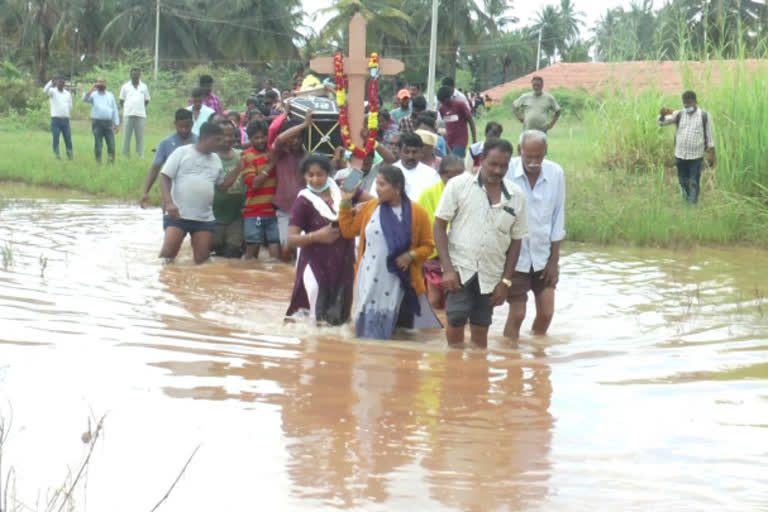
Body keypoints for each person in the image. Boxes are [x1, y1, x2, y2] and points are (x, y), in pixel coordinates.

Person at [433, 138, 529, 348]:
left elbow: (516, 241)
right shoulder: (459, 185)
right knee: (456, 319)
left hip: (491, 274)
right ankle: (455, 368)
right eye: (492, 164)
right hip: (460, 269)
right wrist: (447, 270)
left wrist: (505, 282)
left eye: (503, 166)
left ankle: (477, 375)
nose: (497, 170)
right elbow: (439, 226)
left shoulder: (516, 196)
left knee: (481, 328)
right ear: (482, 160)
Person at [339, 165, 441, 339]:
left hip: (403, 280)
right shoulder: (370, 208)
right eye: (377, 184)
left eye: (382, 184)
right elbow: (348, 231)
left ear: (397, 188)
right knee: (367, 334)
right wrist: (346, 202)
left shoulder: (418, 213)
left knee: (403, 334)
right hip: (370, 279)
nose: (377, 189)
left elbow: (429, 245)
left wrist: (411, 256)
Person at [286, 154, 363, 325]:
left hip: (343, 262)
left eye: (320, 174)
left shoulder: (343, 188)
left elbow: (375, 199)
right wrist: (317, 236)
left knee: (340, 318)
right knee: (315, 316)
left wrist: (358, 208)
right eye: (310, 175)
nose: (315, 179)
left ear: (328, 174)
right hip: (316, 263)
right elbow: (291, 239)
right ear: (304, 176)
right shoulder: (303, 201)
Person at [503, 130, 566, 340]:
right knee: (518, 314)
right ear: (519, 151)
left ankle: (538, 355)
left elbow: (558, 217)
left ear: (545, 152)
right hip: (514, 258)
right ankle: (511, 359)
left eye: (538, 156)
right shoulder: (506, 170)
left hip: (543, 255)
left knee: (547, 313)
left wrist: (553, 260)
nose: (533, 162)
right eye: (528, 156)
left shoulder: (555, 173)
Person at [158, 122, 244, 264]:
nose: (221, 143)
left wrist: (237, 169)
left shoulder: (216, 160)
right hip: (178, 214)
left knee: (202, 261)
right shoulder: (182, 152)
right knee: (167, 255)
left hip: (204, 218)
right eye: (218, 139)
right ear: (205, 137)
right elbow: (164, 176)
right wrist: (169, 203)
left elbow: (222, 187)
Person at [417, 155, 465, 310]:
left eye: (458, 176)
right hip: (434, 254)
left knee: (460, 301)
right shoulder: (428, 194)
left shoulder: (472, 193)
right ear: (440, 174)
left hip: (462, 255)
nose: (453, 182)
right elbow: (419, 223)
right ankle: (433, 332)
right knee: (434, 300)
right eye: (448, 177)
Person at [658, 90, 716, 204]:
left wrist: (712, 154)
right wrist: (663, 114)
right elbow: (662, 123)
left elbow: (710, 136)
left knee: (693, 180)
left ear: (695, 102)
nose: (687, 106)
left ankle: (692, 205)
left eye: (689, 103)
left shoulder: (704, 116)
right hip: (680, 154)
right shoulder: (679, 114)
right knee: (682, 180)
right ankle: (687, 199)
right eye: (685, 104)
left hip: (696, 156)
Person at [271, 112, 311, 261]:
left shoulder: (309, 157)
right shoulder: (279, 154)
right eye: (292, 137)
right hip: (285, 209)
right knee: (286, 248)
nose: (295, 141)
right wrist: (304, 124)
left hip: (306, 210)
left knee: (304, 251)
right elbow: (280, 139)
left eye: (298, 137)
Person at [140, 109, 197, 209]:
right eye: (180, 126)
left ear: (192, 124)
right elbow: (155, 168)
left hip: (195, 197)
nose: (184, 130)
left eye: (187, 126)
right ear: (175, 124)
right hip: (171, 198)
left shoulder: (199, 142)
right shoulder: (165, 143)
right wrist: (145, 192)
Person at [241, 120, 279, 260]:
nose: (260, 140)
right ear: (249, 139)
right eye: (256, 138)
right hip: (254, 212)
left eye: (263, 137)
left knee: (275, 250)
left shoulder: (273, 152)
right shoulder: (247, 156)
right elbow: (254, 183)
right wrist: (271, 165)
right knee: (252, 250)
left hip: (274, 211)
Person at [210, 120, 245, 258]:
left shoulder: (241, 155)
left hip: (236, 217)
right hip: (213, 217)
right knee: (211, 253)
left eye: (231, 135)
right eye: (224, 135)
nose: (228, 139)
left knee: (233, 253)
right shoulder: (210, 157)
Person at [370, 133, 439, 201]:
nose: (410, 156)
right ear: (399, 151)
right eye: (406, 152)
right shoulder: (386, 173)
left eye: (414, 152)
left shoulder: (431, 174)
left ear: (421, 152)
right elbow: (374, 199)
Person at [82, 76, 120, 164]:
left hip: (108, 123)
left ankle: (111, 163)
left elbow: (114, 109)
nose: (100, 84)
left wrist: (117, 123)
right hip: (97, 123)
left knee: (111, 145)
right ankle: (98, 163)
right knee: (98, 144)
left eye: (102, 82)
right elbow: (84, 99)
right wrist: (92, 88)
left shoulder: (110, 95)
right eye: (98, 82)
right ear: (96, 83)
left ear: (105, 83)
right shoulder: (93, 95)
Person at [119, 68, 150, 158]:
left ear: (139, 75)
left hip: (140, 115)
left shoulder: (144, 86)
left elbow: (147, 100)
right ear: (131, 75)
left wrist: (139, 107)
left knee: (140, 137)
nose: (135, 77)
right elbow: (121, 100)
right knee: (126, 137)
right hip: (128, 115)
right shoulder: (125, 86)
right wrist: (128, 108)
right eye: (133, 75)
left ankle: (140, 156)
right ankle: (125, 156)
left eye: (137, 75)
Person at [437, 86, 476, 158]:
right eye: (441, 101)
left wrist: (474, 140)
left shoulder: (460, 105)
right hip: (448, 141)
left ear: (449, 97)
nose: (443, 103)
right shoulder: (442, 108)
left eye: (444, 100)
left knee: (455, 160)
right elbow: (447, 124)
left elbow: (471, 121)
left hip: (460, 141)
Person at [44, 74, 73, 160]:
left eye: (63, 82)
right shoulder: (53, 91)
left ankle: (70, 157)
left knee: (68, 139)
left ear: (64, 83)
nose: (61, 84)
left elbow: (70, 105)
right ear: (57, 83)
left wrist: (66, 113)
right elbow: (45, 90)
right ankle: (57, 157)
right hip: (56, 120)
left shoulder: (67, 93)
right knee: (56, 139)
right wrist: (51, 82)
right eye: (60, 82)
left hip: (65, 120)